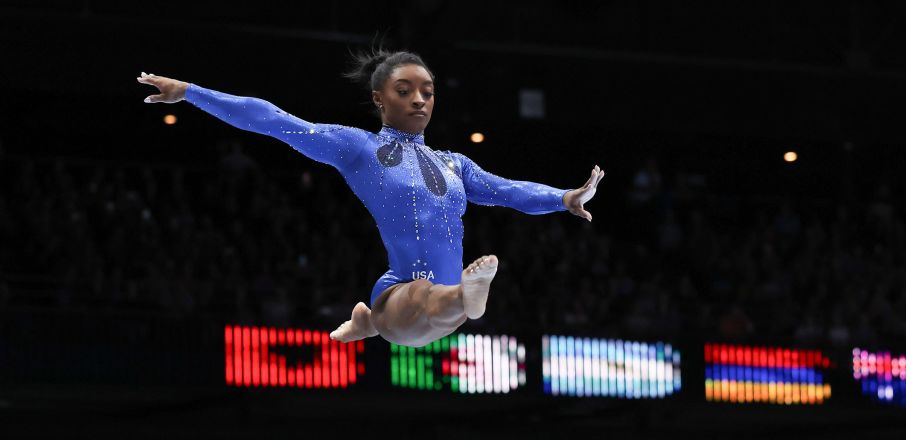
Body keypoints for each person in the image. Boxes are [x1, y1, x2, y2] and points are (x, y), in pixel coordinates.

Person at [136, 48, 603, 346]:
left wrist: (563, 198)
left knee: (440, 301)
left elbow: (508, 190)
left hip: (431, 305)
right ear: (380, 98)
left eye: (427, 91)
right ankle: (444, 302)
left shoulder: (455, 164)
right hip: (403, 293)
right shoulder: (359, 147)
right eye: (405, 91)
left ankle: (392, 315)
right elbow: (273, 120)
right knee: (427, 296)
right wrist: (192, 93)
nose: (419, 99)